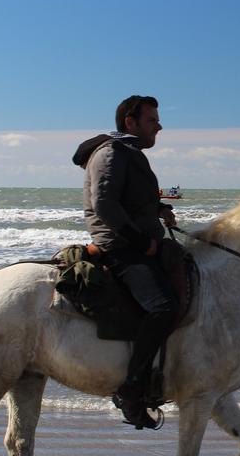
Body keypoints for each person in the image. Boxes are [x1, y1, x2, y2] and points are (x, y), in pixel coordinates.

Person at [72, 95, 178, 429]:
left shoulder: (131, 154)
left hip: (138, 243)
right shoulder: (111, 154)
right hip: (120, 247)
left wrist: (159, 211)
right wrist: (140, 241)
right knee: (163, 307)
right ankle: (132, 389)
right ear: (130, 122)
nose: (159, 125)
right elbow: (104, 204)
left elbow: (134, 199)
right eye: (152, 119)